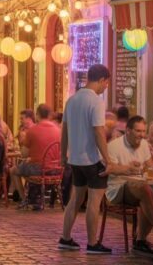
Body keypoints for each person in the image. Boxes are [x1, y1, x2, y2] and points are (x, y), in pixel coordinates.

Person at [59, 64, 114, 255]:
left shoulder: (71, 100)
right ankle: (92, 243)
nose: (106, 86)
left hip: (75, 159)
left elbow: (64, 130)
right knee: (94, 202)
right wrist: (108, 159)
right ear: (101, 80)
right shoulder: (97, 102)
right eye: (106, 83)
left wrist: (62, 154)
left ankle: (65, 238)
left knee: (75, 199)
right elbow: (98, 131)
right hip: (92, 159)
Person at [104, 116, 153, 256]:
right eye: (138, 131)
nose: (141, 135)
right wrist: (128, 168)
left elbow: (150, 167)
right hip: (117, 189)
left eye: (143, 131)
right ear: (128, 130)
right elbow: (110, 169)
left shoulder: (144, 144)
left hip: (141, 187)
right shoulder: (113, 146)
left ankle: (141, 240)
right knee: (145, 190)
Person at [10, 104, 59, 207]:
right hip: (56, 170)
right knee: (27, 167)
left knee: (14, 170)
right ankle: (36, 196)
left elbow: (24, 154)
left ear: (37, 115)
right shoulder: (58, 130)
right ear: (49, 115)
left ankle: (24, 199)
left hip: (38, 169)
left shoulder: (32, 130)